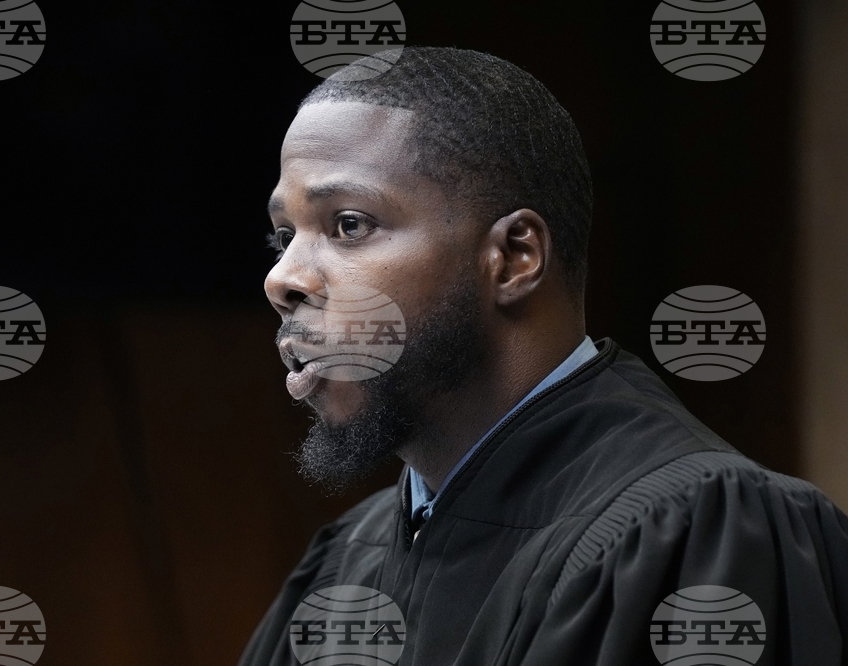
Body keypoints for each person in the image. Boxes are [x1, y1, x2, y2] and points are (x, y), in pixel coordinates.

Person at [241, 46, 848, 665]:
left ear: (515, 257)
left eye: (349, 225)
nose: (281, 278)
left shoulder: (699, 533)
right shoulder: (344, 568)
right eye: (284, 236)